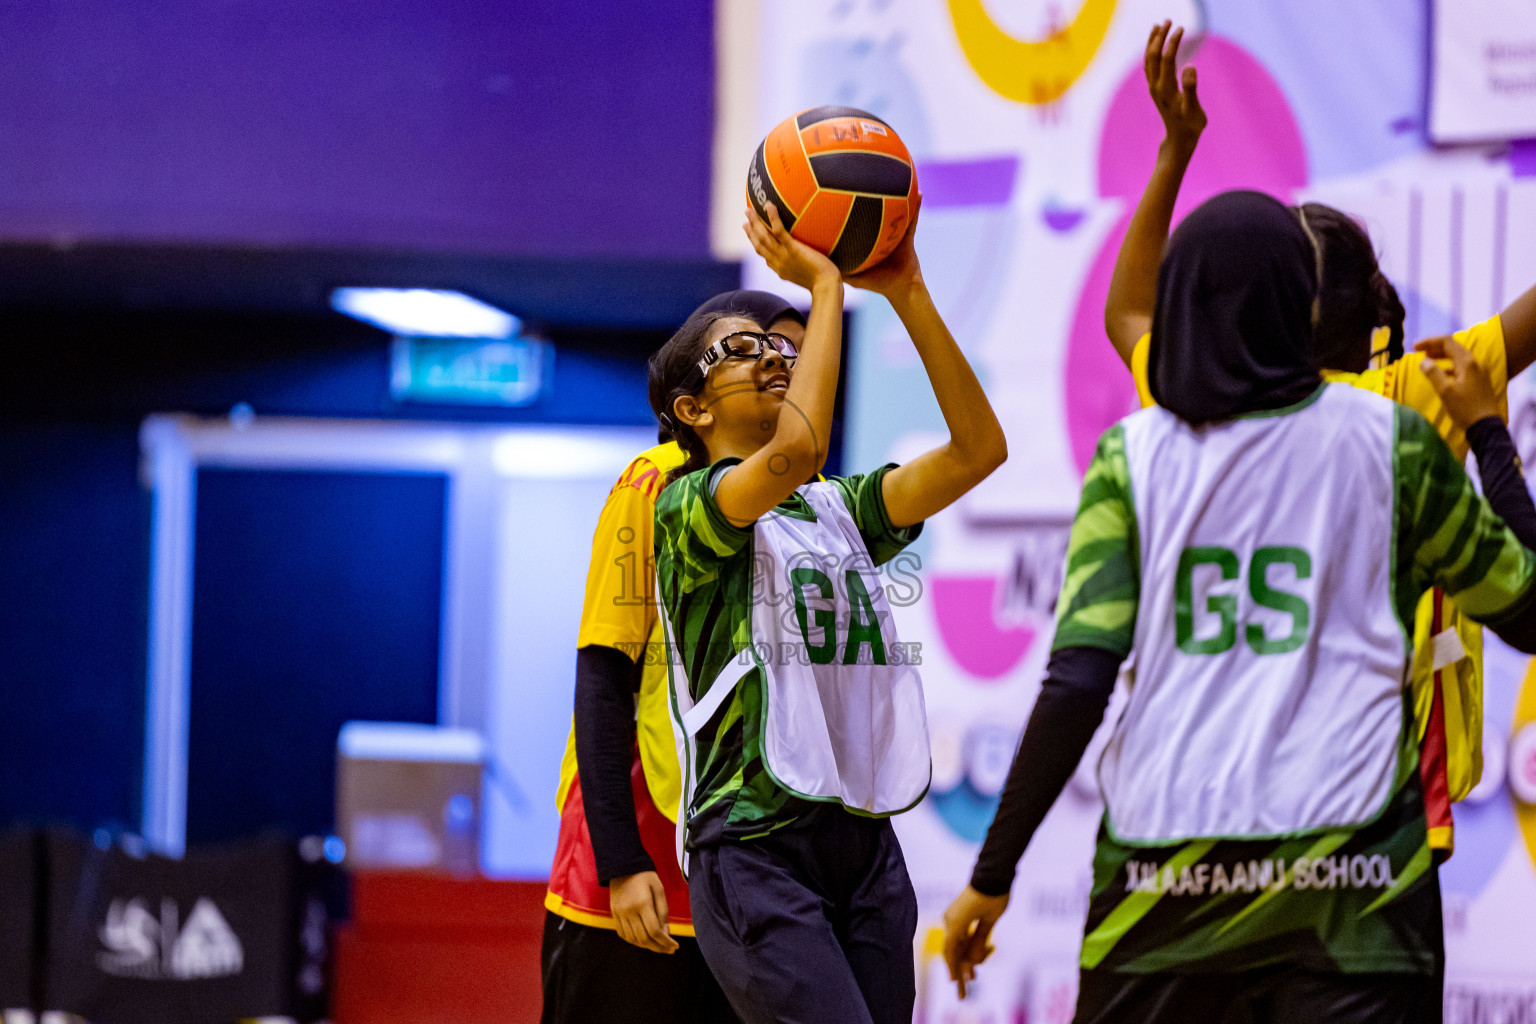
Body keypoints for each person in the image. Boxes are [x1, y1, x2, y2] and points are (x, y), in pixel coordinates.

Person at [943, 189, 1536, 1023]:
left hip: (1166, 890)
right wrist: (1487, 434)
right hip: (1356, 893)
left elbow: (1078, 682)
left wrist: (991, 875)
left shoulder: (1137, 451)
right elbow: (1530, 612)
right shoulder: (1395, 438)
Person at [1105, 21, 1536, 858]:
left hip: (1236, 792)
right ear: (1367, 310)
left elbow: (1127, 313)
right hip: (1381, 800)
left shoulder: (1202, 400)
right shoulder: (1405, 397)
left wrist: (1173, 154)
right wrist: (1484, 423)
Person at [650, 196, 1006, 1024]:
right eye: (740, 351)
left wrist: (909, 290)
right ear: (692, 412)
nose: (773, 357)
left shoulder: (837, 509)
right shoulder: (685, 509)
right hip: (751, 846)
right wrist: (824, 283)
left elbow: (979, 450)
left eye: (781, 346)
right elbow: (800, 447)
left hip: (861, 844)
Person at [540, 291, 807, 1024]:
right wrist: (622, 861)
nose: (782, 369)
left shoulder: (811, 503)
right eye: (758, 350)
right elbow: (603, 674)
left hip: (752, 864)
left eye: (793, 356)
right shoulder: (653, 481)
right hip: (638, 850)